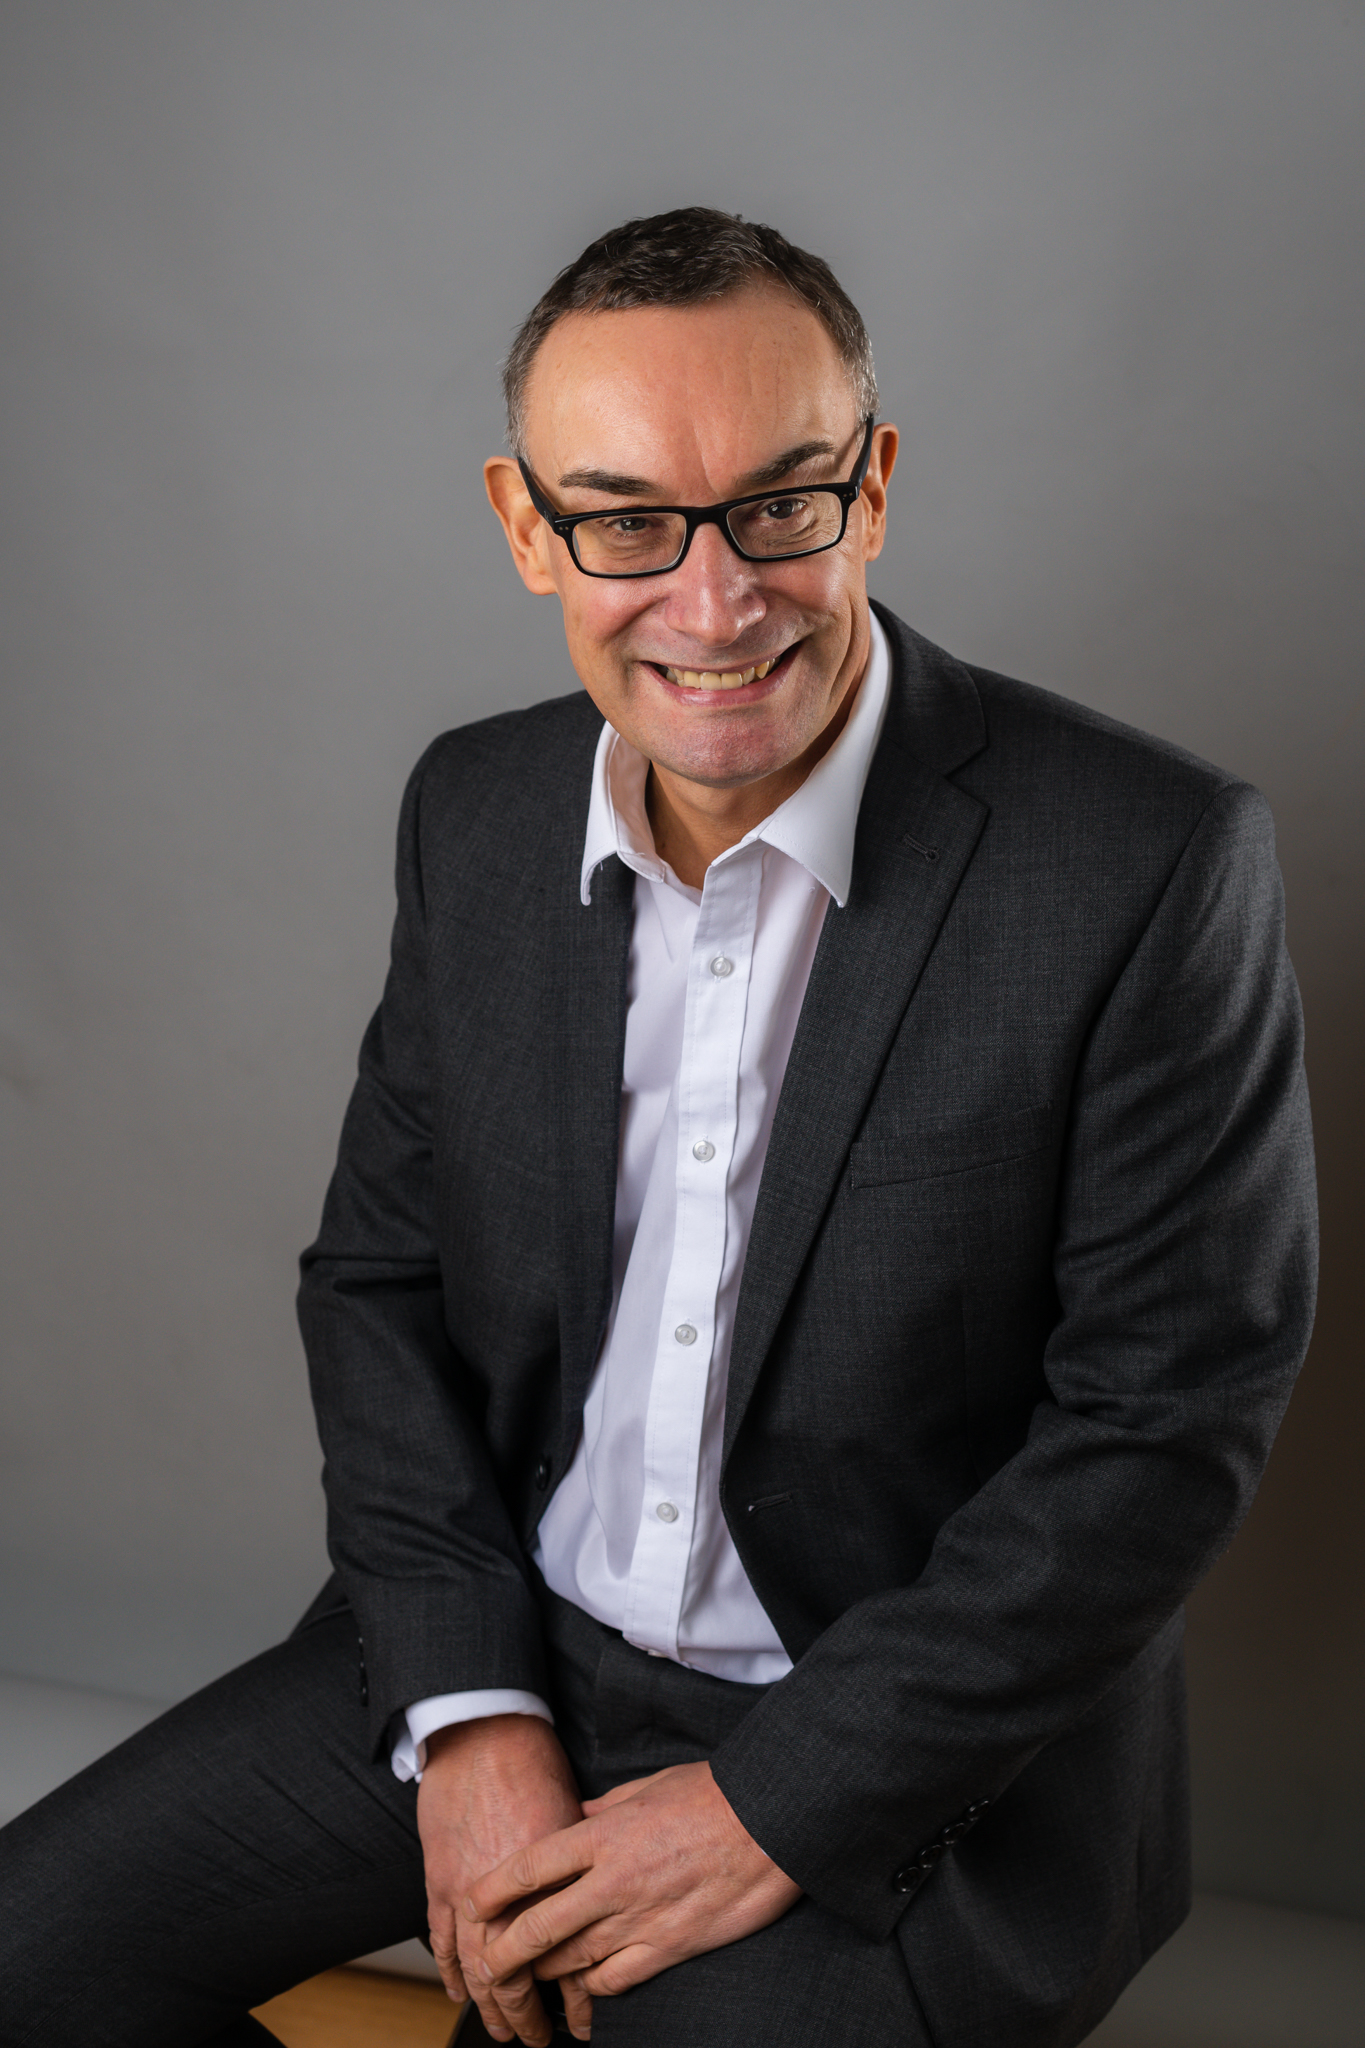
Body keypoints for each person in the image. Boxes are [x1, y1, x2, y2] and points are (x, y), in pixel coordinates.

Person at [0, 208, 1316, 2048]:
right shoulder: (474, 812)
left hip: (890, 1742)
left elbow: (1162, 1425)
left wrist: (777, 1802)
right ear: (525, 524)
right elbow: (377, 1285)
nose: (714, 606)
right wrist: (469, 1716)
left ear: (873, 488)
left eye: (781, 505)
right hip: (514, 1644)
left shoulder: (1147, 860)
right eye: (625, 521)